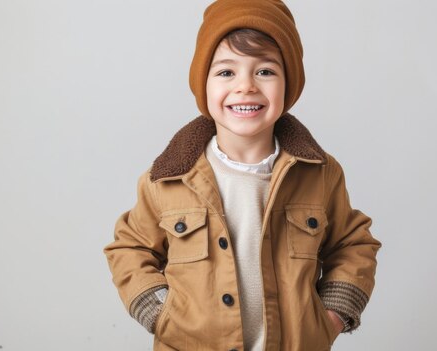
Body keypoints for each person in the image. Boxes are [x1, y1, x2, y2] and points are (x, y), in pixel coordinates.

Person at [103, 1, 381, 350]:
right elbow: (129, 246)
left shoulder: (320, 173)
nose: (246, 86)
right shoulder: (168, 179)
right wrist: (161, 313)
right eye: (226, 72)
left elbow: (352, 244)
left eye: (265, 71)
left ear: (289, 84)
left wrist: (332, 315)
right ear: (202, 84)